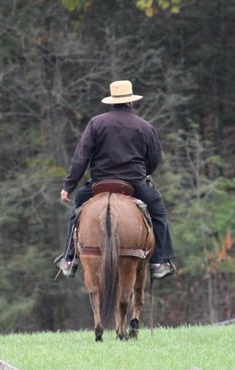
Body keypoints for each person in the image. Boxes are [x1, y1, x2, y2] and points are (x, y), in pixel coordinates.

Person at [54, 80, 176, 280]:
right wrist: (144, 173)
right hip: (134, 184)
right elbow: (155, 158)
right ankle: (159, 262)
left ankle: (69, 258)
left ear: (112, 101)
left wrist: (69, 186)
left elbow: (81, 157)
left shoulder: (96, 123)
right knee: (159, 213)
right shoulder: (144, 126)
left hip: (100, 183)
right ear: (131, 101)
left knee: (77, 211)